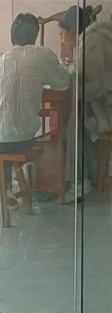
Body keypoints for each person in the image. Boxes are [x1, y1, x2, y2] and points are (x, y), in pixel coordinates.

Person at [0, 13, 71, 203]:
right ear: (35, 35)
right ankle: (23, 184)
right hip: (24, 139)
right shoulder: (42, 54)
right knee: (16, 130)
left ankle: (7, 187)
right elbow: (63, 83)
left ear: (12, 36)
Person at [59, 5, 112, 200]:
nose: (63, 40)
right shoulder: (96, 37)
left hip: (105, 108)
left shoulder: (91, 40)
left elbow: (90, 84)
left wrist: (68, 72)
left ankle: (78, 181)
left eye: (62, 34)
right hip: (105, 102)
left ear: (73, 30)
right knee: (76, 117)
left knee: (72, 123)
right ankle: (85, 178)